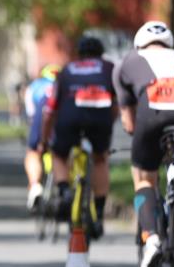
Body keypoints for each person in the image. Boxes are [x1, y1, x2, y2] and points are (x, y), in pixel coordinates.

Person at [113, 20, 174, 267]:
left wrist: (138, 136)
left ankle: (151, 237)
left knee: (143, 177)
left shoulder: (128, 62)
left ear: (140, 43)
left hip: (152, 113)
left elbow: (129, 121)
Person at [40, 35, 117, 238]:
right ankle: (99, 214)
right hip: (100, 117)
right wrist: (111, 122)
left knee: (58, 155)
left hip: (70, 116)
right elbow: (117, 105)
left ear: (79, 54)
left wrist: (44, 140)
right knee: (100, 160)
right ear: (100, 54)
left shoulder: (67, 70)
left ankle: (65, 190)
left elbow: (49, 111)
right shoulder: (109, 68)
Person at [24, 64, 60, 210]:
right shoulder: (65, 84)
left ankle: (35, 185)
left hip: (41, 118)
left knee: (33, 153)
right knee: (62, 153)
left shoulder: (35, 86)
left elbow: (31, 114)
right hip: (63, 118)